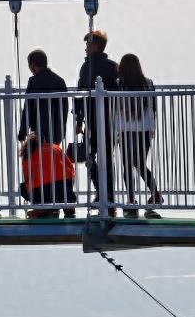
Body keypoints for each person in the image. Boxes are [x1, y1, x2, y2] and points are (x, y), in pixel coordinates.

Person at [116, 53, 163, 218]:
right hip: (144, 128)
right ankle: (155, 193)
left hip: (125, 128)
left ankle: (131, 200)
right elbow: (153, 107)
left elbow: (115, 106)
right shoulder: (148, 83)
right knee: (139, 163)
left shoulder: (119, 84)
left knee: (128, 165)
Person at [75, 29, 118, 212]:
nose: (85, 48)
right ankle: (107, 193)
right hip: (109, 117)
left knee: (90, 156)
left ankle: (102, 192)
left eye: (87, 44)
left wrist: (79, 119)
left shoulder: (88, 67)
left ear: (95, 46)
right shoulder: (112, 66)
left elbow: (80, 93)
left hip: (93, 117)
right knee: (105, 157)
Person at [17, 49, 68, 149]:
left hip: (39, 134)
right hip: (57, 133)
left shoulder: (33, 81)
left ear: (32, 65)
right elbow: (64, 108)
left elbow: (28, 109)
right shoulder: (60, 81)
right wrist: (61, 132)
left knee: (40, 161)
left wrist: (22, 132)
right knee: (53, 160)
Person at [20, 136, 76, 218]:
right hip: (64, 188)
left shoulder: (28, 153)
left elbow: (27, 177)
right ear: (45, 140)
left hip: (43, 191)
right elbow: (70, 167)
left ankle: (44, 208)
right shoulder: (56, 147)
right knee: (62, 190)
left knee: (22, 187)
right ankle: (66, 204)